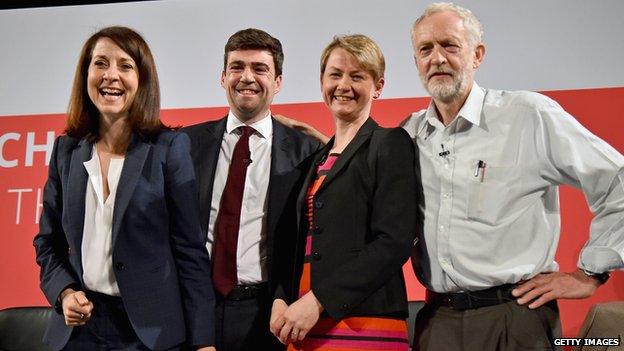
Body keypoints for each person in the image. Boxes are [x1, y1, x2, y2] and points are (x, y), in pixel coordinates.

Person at [402, 3, 624, 350]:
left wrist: (590, 273)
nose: (438, 58)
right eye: (425, 49)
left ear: (477, 55)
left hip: (515, 319)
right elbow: (360, 167)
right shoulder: (411, 133)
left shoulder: (528, 115)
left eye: (450, 45)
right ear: (416, 62)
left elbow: (618, 181)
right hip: (438, 322)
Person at [33, 26, 215, 351]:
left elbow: (190, 252)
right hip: (79, 333)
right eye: (100, 63)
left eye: (125, 66)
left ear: (142, 80)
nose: (111, 76)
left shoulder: (168, 149)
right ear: (85, 74)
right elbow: (48, 242)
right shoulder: (66, 150)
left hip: (149, 334)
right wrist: (64, 291)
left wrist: (203, 342)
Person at [269, 34, 418, 351]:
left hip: (363, 324)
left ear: (378, 86)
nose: (343, 85)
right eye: (335, 74)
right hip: (301, 324)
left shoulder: (391, 144)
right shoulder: (313, 161)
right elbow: (292, 243)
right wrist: (281, 298)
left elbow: (394, 241)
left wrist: (318, 300)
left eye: (358, 76)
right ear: (322, 81)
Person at [181, 28, 319, 351]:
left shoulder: (307, 152)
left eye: (260, 69)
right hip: (197, 310)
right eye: (237, 67)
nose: (247, 77)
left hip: (269, 314)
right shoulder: (184, 145)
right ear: (222, 77)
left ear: (278, 81)